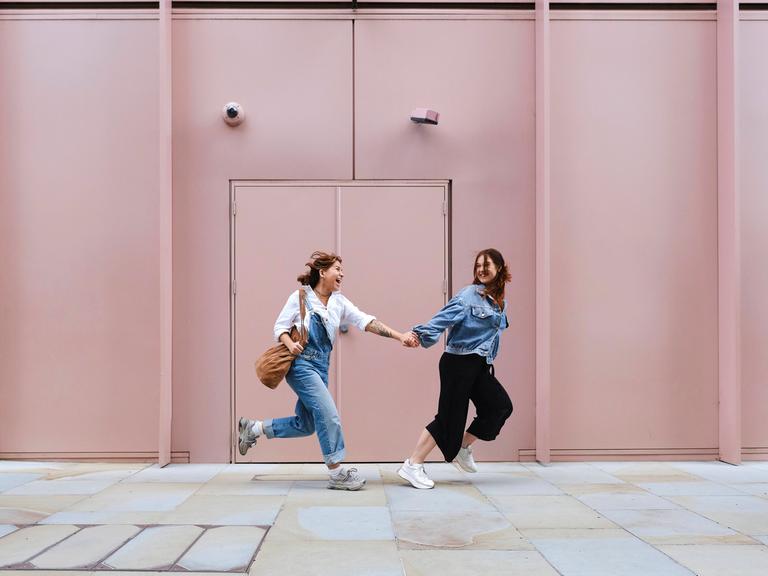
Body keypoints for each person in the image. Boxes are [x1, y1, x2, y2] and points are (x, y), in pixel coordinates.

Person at [238, 251, 416, 491]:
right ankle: (336, 472)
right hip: (301, 365)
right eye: (337, 269)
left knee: (307, 423)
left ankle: (254, 428)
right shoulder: (300, 296)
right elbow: (279, 327)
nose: (342, 274)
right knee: (328, 413)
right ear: (323, 272)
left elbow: (366, 321)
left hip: (322, 366)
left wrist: (399, 336)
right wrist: (291, 344)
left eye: (342, 270)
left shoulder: (339, 301)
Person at [398, 248, 514, 489]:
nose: (481, 269)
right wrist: (419, 335)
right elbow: (443, 318)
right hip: (458, 364)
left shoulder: (499, 301)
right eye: (478, 265)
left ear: (500, 268)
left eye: (487, 265)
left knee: (499, 406)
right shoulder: (469, 295)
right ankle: (413, 464)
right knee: (449, 417)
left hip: (479, 365)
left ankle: (463, 447)